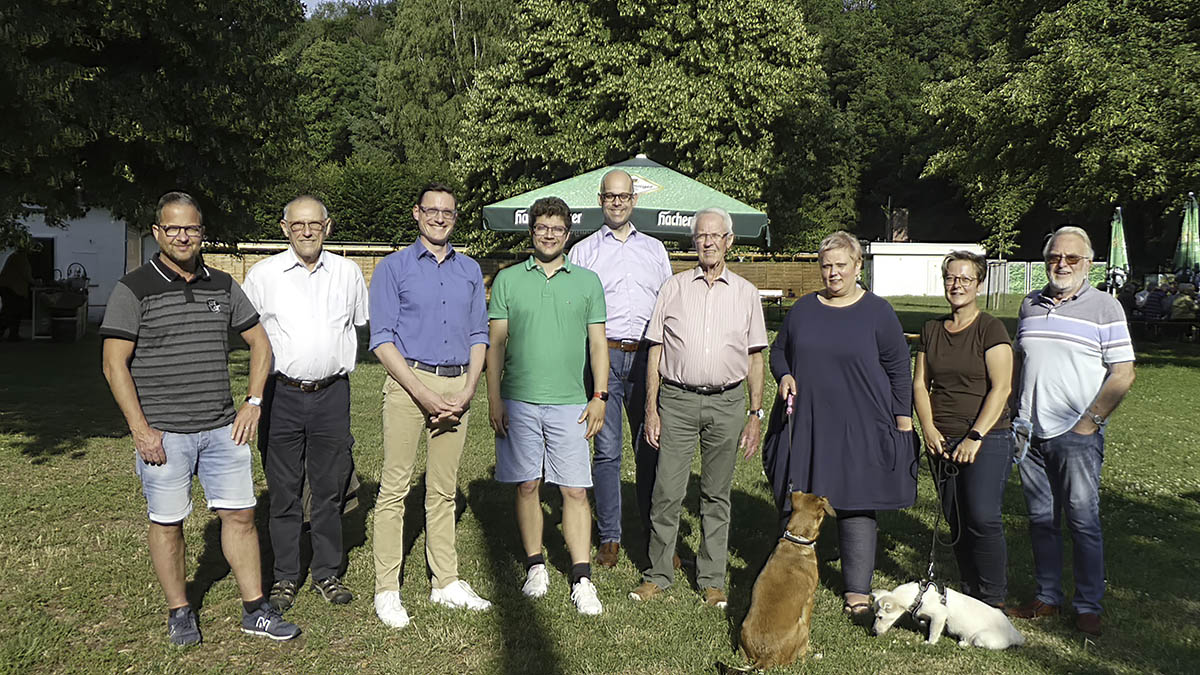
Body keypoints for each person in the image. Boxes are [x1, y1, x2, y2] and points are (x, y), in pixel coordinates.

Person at [100, 191, 300, 645]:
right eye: (173, 228)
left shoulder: (223, 284)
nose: (183, 236)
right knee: (167, 521)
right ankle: (180, 609)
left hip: (221, 429)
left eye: (191, 228)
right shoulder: (133, 288)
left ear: (202, 231)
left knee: (242, 517)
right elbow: (114, 364)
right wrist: (140, 429)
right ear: (158, 233)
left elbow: (261, 344)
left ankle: (255, 609)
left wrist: (253, 401)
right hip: (164, 433)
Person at [760, 230, 915, 620]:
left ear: (858, 266)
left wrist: (902, 419)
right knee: (799, 496)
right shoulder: (804, 309)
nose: (832, 273)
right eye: (826, 265)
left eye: (840, 265)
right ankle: (788, 575)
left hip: (862, 422)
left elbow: (898, 369)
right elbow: (779, 352)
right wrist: (784, 375)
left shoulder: (878, 312)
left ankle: (856, 592)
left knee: (856, 502)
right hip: (809, 420)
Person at [628, 207, 767, 610]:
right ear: (694, 242)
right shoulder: (673, 288)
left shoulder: (745, 293)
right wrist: (651, 409)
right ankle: (657, 574)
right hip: (677, 400)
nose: (707, 242)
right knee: (667, 491)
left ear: (729, 241)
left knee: (716, 495)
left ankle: (711, 579)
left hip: (727, 402)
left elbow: (756, 357)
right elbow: (656, 349)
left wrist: (755, 414)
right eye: (700, 236)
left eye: (715, 236)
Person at [369, 183, 493, 629]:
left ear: (455, 217)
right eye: (432, 211)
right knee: (395, 487)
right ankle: (387, 588)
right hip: (408, 382)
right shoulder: (392, 268)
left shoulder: (469, 270)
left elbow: (480, 335)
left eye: (448, 212)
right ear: (417, 214)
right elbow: (381, 339)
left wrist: (468, 390)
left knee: (443, 489)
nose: (440, 218)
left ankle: (445, 582)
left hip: (458, 382)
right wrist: (422, 394)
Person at [241, 195, 368, 612]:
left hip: (332, 393)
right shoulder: (263, 276)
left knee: (329, 487)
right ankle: (284, 575)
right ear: (284, 228)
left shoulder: (348, 273)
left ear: (328, 227)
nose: (307, 231)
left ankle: (327, 571)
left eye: (314, 224)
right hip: (282, 395)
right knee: (283, 490)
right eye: (298, 225)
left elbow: (356, 325)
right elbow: (250, 337)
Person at [1007, 226, 1136, 637]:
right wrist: (1014, 412)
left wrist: (1090, 422)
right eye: (1054, 258)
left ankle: (1087, 605)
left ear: (1089, 263)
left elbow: (1123, 373)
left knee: (1082, 520)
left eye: (1072, 258)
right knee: (1041, 520)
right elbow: (1019, 361)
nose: (1061, 264)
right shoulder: (1029, 304)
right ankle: (1047, 598)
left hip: (1076, 433)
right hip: (1030, 433)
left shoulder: (1105, 308)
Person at [487, 196, 608, 616]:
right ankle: (536, 565)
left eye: (557, 228)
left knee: (575, 489)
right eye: (542, 227)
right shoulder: (507, 281)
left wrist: (600, 396)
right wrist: (494, 398)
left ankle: (581, 576)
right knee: (527, 485)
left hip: (571, 403)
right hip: (518, 402)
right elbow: (496, 344)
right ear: (532, 231)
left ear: (568, 233)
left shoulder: (588, 282)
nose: (550, 234)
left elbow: (597, 345)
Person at [567, 169, 673, 567]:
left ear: (633, 201)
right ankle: (610, 536)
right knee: (607, 451)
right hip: (604, 358)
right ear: (600, 200)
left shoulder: (655, 250)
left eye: (624, 196)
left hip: (649, 358)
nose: (617, 202)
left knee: (651, 446)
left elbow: (668, 306)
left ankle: (655, 535)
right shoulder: (584, 252)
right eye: (610, 196)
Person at [912, 251, 1014, 609]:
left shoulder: (991, 329)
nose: (956, 285)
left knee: (983, 517)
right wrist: (928, 428)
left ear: (979, 285)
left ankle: (993, 599)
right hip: (942, 439)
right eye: (950, 279)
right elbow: (921, 385)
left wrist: (976, 436)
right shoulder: (931, 330)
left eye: (965, 279)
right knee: (956, 520)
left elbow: (1001, 387)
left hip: (988, 437)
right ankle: (971, 593)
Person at [0, 248, 33, 341]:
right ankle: (12, 334)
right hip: (12, 288)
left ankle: (12, 334)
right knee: (12, 311)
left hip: (8, 287)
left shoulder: (15, 256)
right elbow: (26, 274)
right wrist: (35, 282)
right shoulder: (20, 258)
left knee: (10, 311)